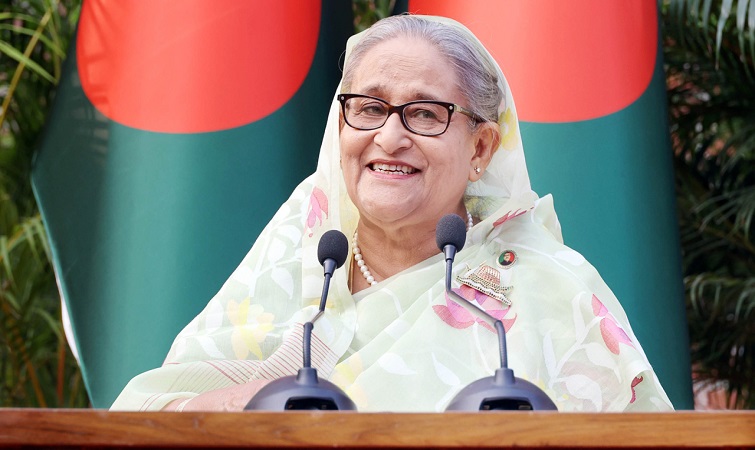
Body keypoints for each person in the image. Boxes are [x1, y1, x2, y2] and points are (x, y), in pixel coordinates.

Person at [111, 15, 673, 412]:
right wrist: (249, 404)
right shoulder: (301, 248)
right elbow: (145, 412)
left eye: (424, 114)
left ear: (480, 147)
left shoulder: (544, 290)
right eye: (370, 107)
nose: (389, 136)